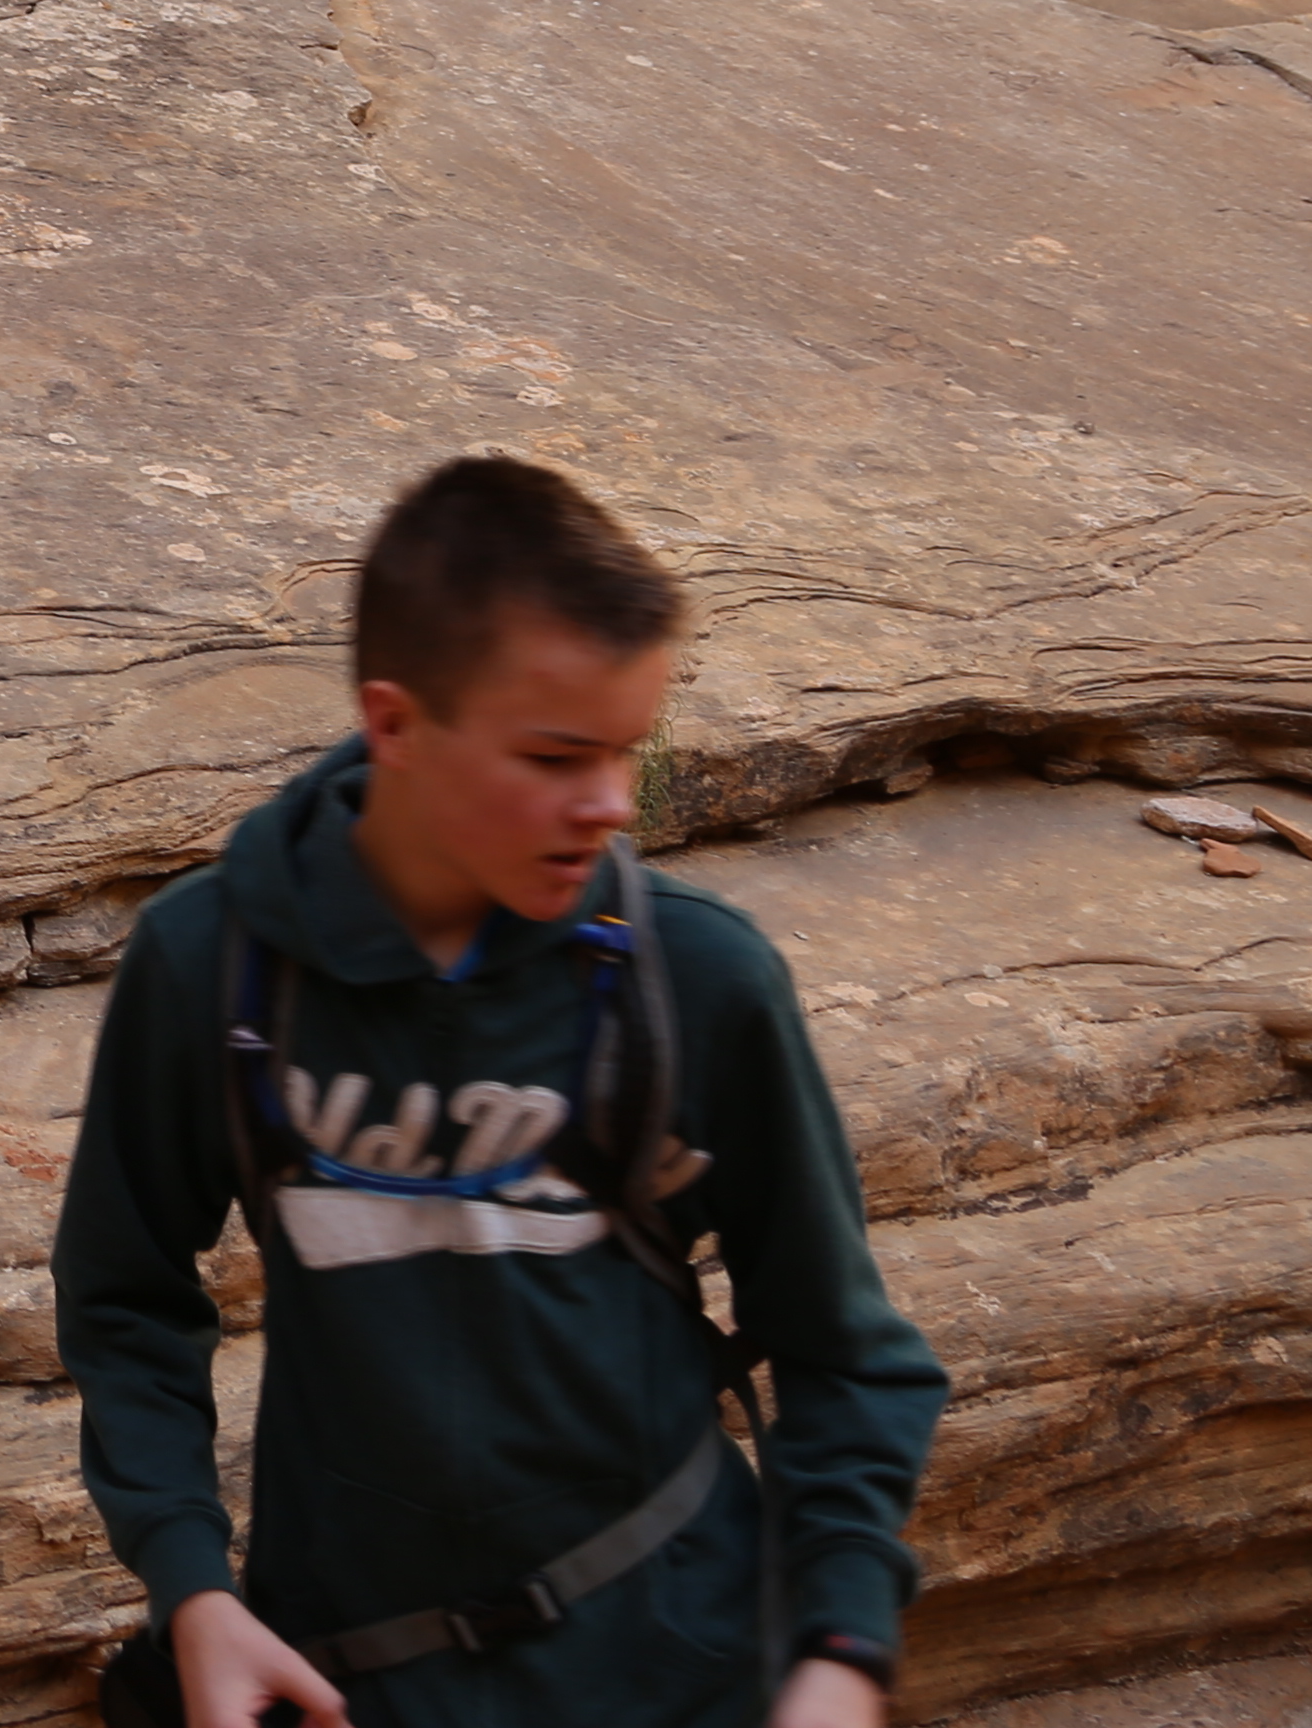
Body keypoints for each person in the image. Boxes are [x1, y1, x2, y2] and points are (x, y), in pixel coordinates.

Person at [52, 457, 947, 1728]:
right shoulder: (214, 968)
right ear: (397, 724)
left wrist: (842, 1651)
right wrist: (195, 1596)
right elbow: (126, 1301)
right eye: (556, 756)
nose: (610, 806)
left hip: (685, 1661)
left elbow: (847, 1353)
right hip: (349, 1672)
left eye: (629, 752)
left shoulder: (696, 979)